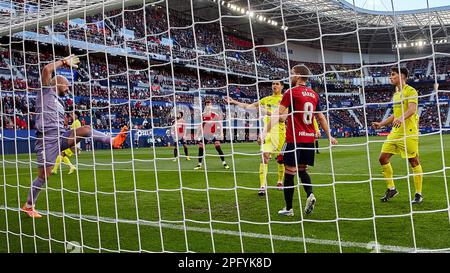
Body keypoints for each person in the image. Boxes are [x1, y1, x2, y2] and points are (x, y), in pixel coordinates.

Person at [22, 55, 129, 218]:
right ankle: (29, 206)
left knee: (85, 129)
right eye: (67, 83)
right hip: (46, 140)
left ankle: (113, 141)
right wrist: (63, 62)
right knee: (44, 175)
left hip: (60, 136)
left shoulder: (61, 102)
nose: (69, 86)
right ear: (58, 82)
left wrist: (71, 144)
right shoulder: (46, 92)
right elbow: (46, 70)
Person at [261, 64, 337, 216]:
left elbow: (278, 114)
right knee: (302, 170)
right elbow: (321, 118)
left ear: (298, 75)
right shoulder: (314, 94)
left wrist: (265, 131)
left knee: (289, 173)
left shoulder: (291, 92)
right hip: (308, 141)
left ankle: (288, 209)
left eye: (291, 73)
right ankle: (310, 194)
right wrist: (330, 136)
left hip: (294, 139)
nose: (289, 76)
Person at [371, 67, 423, 204]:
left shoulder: (411, 91)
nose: (390, 77)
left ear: (402, 76)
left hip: (409, 132)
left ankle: (418, 194)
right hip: (395, 132)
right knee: (383, 158)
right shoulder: (396, 95)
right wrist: (381, 124)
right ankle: (391, 188)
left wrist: (401, 118)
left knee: (414, 161)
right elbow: (395, 114)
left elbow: (412, 109)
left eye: (393, 74)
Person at [226, 80, 286, 196]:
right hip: (267, 133)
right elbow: (248, 107)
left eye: (277, 84)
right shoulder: (266, 99)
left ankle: (279, 181)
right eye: (273, 83)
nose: (274, 85)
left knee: (281, 159)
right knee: (264, 158)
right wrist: (234, 102)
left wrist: (266, 112)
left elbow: (283, 119)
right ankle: (262, 186)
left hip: (280, 133)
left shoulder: (285, 99)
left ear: (282, 86)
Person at [194, 100, 230, 170]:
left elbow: (220, 124)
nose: (208, 106)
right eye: (207, 105)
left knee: (218, 148)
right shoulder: (202, 115)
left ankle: (224, 163)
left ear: (211, 106)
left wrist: (222, 133)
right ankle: (199, 164)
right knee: (200, 149)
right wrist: (197, 134)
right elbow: (200, 125)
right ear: (205, 106)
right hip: (205, 134)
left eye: (209, 105)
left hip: (214, 134)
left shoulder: (215, 115)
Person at [51, 111, 82, 175]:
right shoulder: (75, 122)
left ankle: (54, 170)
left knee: (61, 154)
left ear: (76, 116)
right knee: (63, 154)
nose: (71, 115)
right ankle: (72, 167)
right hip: (70, 141)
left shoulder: (77, 123)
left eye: (72, 114)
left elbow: (77, 133)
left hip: (71, 142)